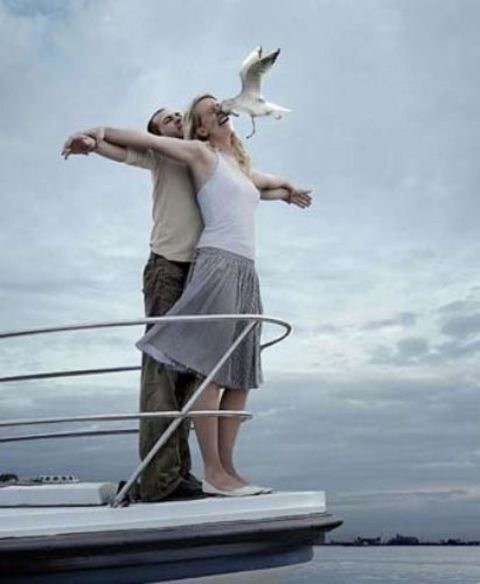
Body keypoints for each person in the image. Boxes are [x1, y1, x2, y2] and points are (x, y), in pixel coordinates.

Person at [63, 96, 311, 497]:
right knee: (171, 372)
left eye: (177, 113)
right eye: (166, 118)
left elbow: (257, 183)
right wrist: (95, 138)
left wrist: (288, 190)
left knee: (217, 374)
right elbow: (129, 146)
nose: (175, 118)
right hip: (171, 266)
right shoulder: (171, 155)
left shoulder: (222, 160)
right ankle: (166, 478)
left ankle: (200, 472)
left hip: (212, 268)